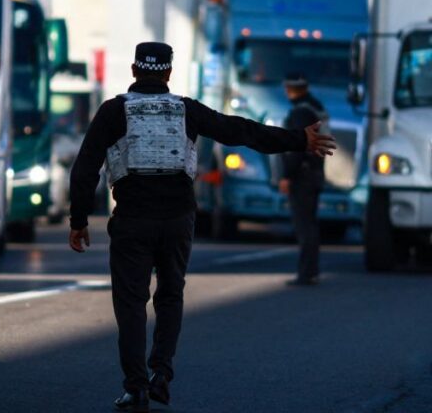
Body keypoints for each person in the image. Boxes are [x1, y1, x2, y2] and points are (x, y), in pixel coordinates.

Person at [68, 42, 335, 412]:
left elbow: (85, 168)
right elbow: (239, 131)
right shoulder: (186, 110)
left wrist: (78, 220)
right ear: (168, 73)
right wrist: (297, 140)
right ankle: (161, 374)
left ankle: (136, 387)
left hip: (133, 217)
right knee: (170, 295)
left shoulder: (114, 111)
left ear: (133, 70)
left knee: (131, 303)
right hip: (179, 216)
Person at [279, 73, 328, 287]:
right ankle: (312, 271)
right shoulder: (316, 107)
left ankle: (305, 273)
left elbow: (296, 146)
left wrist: (287, 175)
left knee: (304, 226)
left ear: (290, 88)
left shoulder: (301, 112)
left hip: (303, 174)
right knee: (311, 224)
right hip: (315, 172)